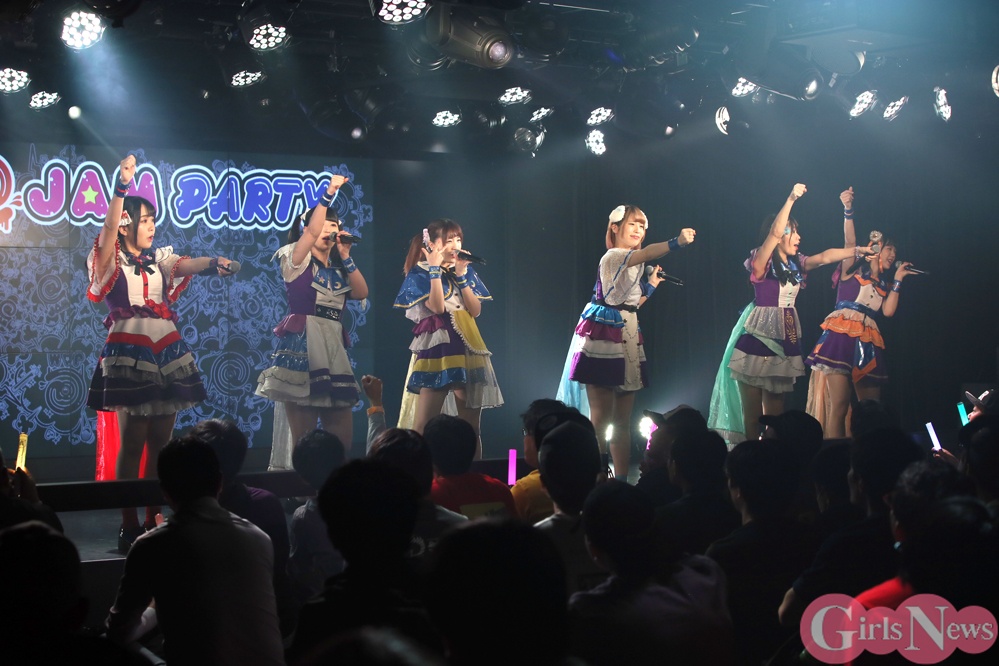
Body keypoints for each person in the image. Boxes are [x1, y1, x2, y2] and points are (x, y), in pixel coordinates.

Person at [86, 154, 234, 552]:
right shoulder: (110, 257)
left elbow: (185, 265)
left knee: (161, 442)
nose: (152, 227)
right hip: (129, 349)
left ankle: (154, 517)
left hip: (166, 350)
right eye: (145, 220)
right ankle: (128, 523)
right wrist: (121, 186)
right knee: (133, 440)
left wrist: (214, 263)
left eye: (154, 220)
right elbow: (107, 230)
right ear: (126, 224)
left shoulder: (159, 260)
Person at [709, 183, 878, 442]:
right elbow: (775, 232)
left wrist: (857, 251)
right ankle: (752, 459)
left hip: (785, 338)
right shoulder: (761, 261)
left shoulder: (797, 263)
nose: (798, 238)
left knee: (776, 421)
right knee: (752, 420)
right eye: (793, 232)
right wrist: (791, 198)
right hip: (757, 340)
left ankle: (776, 460)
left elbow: (825, 257)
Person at [106, 435, 284, 666]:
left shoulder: (151, 545)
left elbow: (118, 631)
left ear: (164, 491)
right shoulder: (259, 538)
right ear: (219, 482)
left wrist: (155, 605)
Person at [561, 204, 696, 479]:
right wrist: (676, 242)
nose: (639, 230)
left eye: (642, 226)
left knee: (622, 422)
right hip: (604, 335)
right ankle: (598, 475)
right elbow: (645, 254)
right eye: (633, 224)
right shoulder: (613, 256)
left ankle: (622, 481)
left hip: (628, 332)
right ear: (615, 227)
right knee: (601, 419)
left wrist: (652, 286)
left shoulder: (636, 261)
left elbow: (631, 304)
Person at [256, 173, 367, 465]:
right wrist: (329, 193)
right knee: (303, 440)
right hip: (304, 346)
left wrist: (346, 255)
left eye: (336, 225)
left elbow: (361, 292)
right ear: (310, 228)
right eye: (327, 224)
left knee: (341, 438)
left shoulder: (339, 269)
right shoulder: (295, 258)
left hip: (333, 348)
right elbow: (312, 230)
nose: (332, 229)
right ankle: (301, 487)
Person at [805, 187, 916, 437]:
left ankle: (868, 450)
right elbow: (850, 243)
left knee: (871, 409)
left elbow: (888, 311)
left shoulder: (884, 284)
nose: (893, 254)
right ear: (875, 248)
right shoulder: (852, 271)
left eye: (895, 251)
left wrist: (898, 279)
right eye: (889, 249)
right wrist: (848, 210)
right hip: (841, 336)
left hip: (867, 340)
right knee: (840, 406)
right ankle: (836, 453)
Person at [393, 218, 501, 456]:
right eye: (449, 240)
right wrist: (434, 269)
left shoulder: (462, 271)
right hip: (440, 346)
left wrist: (461, 275)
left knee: (471, 427)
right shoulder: (420, 273)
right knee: (424, 425)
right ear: (432, 244)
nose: (456, 245)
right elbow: (437, 307)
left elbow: (475, 310)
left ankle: (472, 474)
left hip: (468, 345)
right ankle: (423, 473)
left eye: (458, 239)